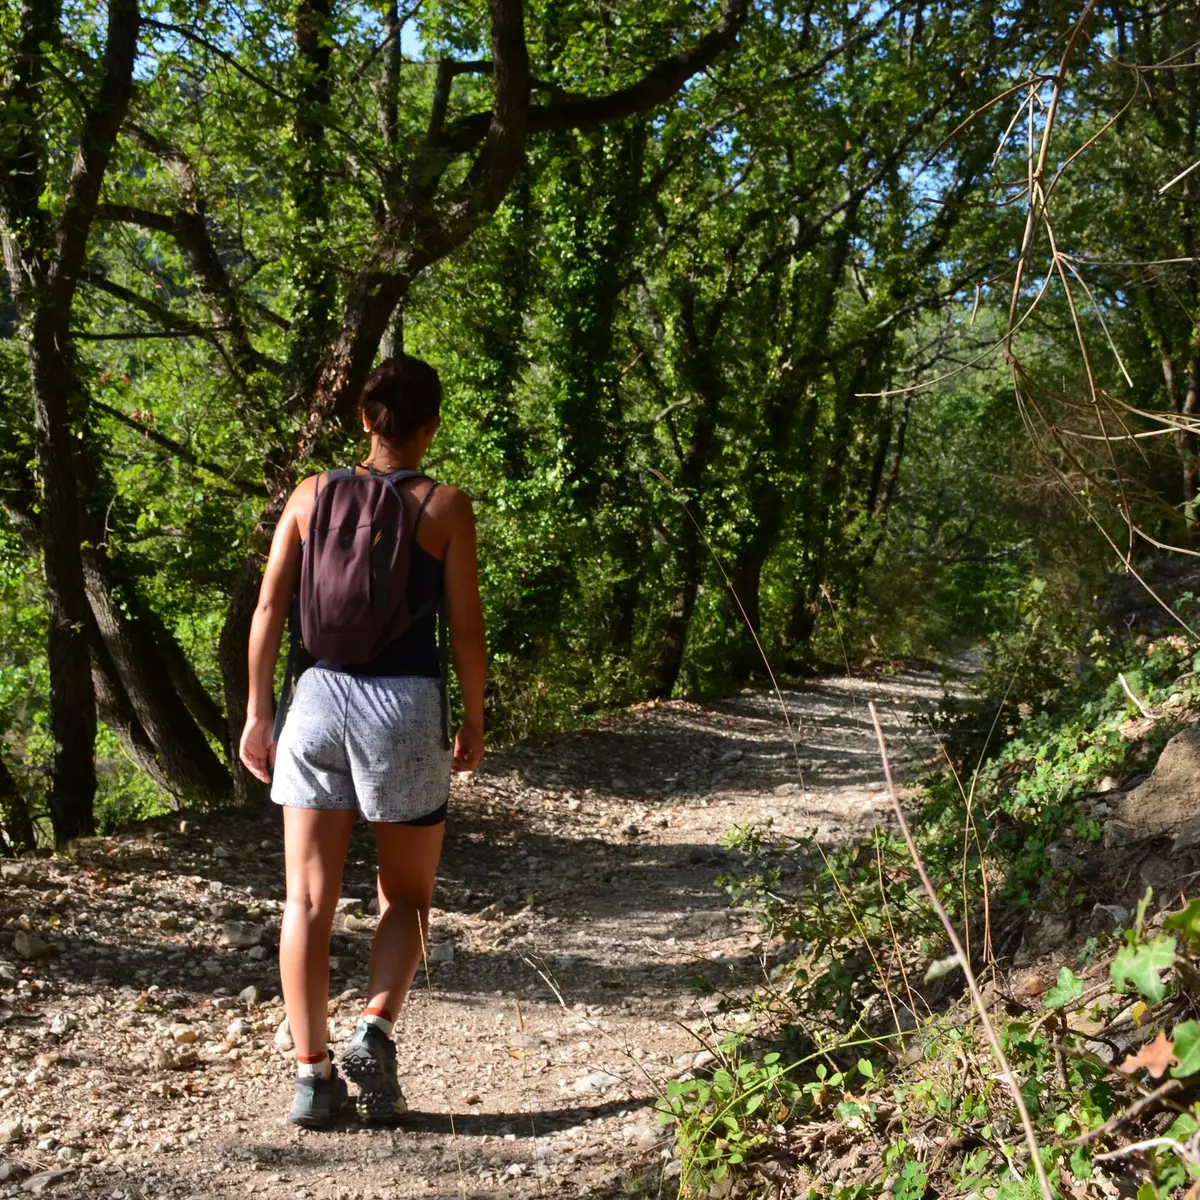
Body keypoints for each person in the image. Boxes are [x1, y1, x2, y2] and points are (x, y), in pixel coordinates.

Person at [238, 355, 486, 1128]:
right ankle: (374, 1030)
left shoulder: (310, 495)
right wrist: (474, 713)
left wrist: (257, 712)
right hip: (405, 710)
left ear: (363, 418)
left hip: (314, 700)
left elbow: (270, 608)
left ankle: (312, 1078)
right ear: (430, 427)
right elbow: (467, 629)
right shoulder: (444, 507)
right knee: (406, 894)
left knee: (306, 900)